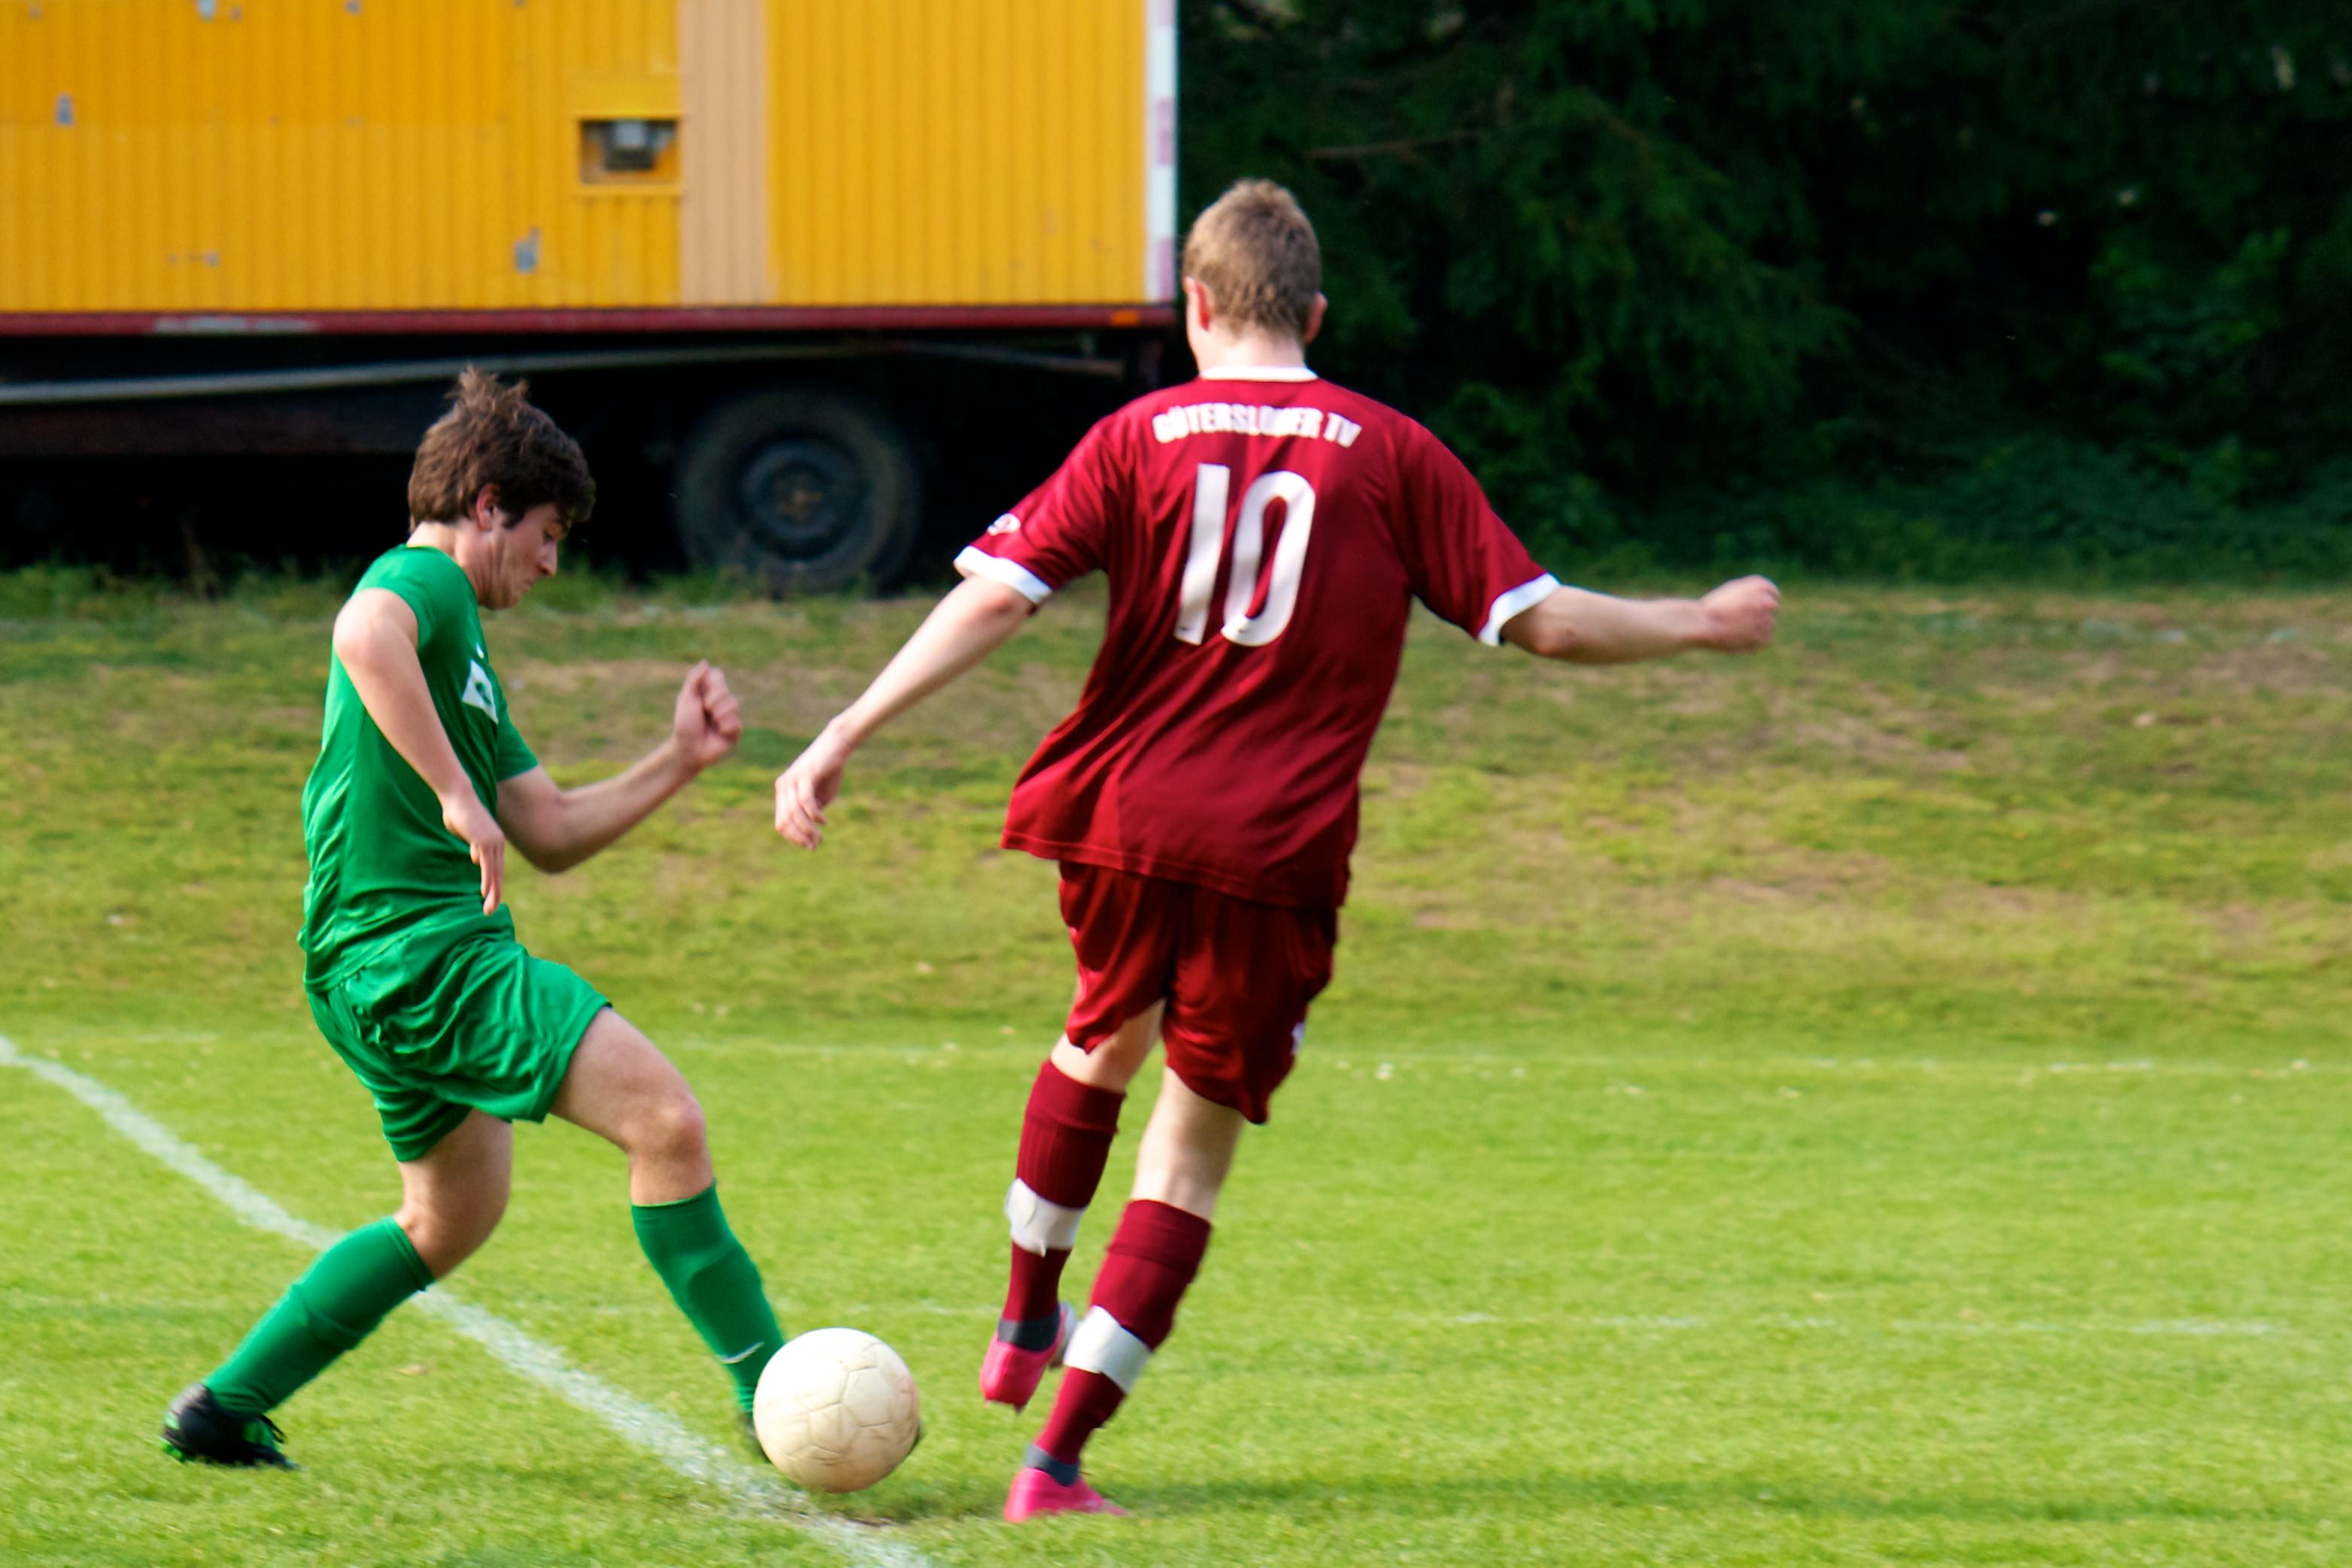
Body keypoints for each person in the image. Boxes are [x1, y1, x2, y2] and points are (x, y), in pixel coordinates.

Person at [772, 179, 1780, 1521]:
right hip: (1272, 848)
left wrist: (844, 727)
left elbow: (997, 598)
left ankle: (1023, 1311)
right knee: (1187, 1151)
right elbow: (1541, 622)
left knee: (1096, 1039)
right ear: (1316, 313)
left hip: (1123, 817)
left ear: (1195, 305)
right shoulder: (1392, 451)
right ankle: (1053, 1466)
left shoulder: (1134, 435)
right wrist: (1699, 622)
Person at [163, 371, 784, 1468]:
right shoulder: (426, 583)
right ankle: (778, 1398)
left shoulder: (464, 656)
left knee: (452, 1216)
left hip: (374, 965)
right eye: (549, 535)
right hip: (421, 953)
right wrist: (454, 793)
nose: (552, 563)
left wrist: (679, 760)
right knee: (665, 1121)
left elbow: (549, 828)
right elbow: (363, 632)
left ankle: (223, 1411)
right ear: (489, 506)